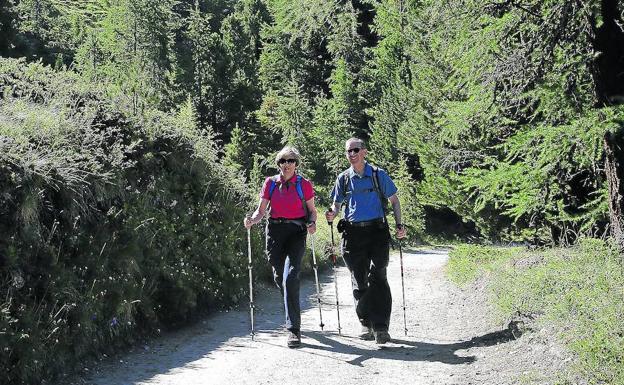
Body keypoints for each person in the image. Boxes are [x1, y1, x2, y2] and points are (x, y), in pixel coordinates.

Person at [325, 137, 406, 344]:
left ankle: (381, 327)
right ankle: (365, 322)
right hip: (353, 234)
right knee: (359, 278)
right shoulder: (343, 179)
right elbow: (336, 204)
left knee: (379, 275)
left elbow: (394, 200)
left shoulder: (379, 175)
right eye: (348, 151)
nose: (351, 154)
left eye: (355, 150)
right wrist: (332, 213)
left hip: (377, 231)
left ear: (364, 152)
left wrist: (399, 225)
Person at [243, 146, 317, 348]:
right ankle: (290, 304)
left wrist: (312, 223)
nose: (287, 164)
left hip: (296, 232)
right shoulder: (270, 183)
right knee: (279, 277)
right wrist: (251, 220)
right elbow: (261, 211)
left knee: (291, 276)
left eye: (291, 160)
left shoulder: (304, 184)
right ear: (278, 164)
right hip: (275, 231)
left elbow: (312, 211)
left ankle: (293, 330)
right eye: (283, 161)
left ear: (296, 163)